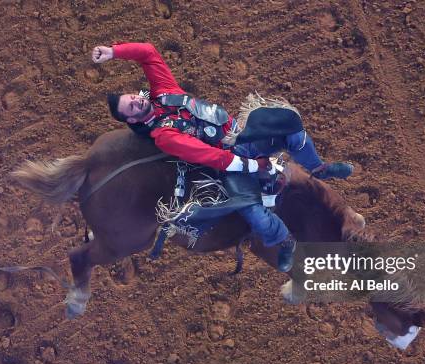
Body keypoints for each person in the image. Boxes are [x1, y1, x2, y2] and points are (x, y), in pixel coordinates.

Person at [90, 42, 349, 271]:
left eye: (133, 97)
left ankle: (319, 168)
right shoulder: (163, 135)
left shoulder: (163, 92)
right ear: (133, 119)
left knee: (292, 131)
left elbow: (148, 53)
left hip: (239, 136)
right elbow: (209, 156)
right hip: (227, 165)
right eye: (130, 106)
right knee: (254, 213)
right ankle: (284, 242)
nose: (136, 100)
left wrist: (113, 52)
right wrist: (251, 166)